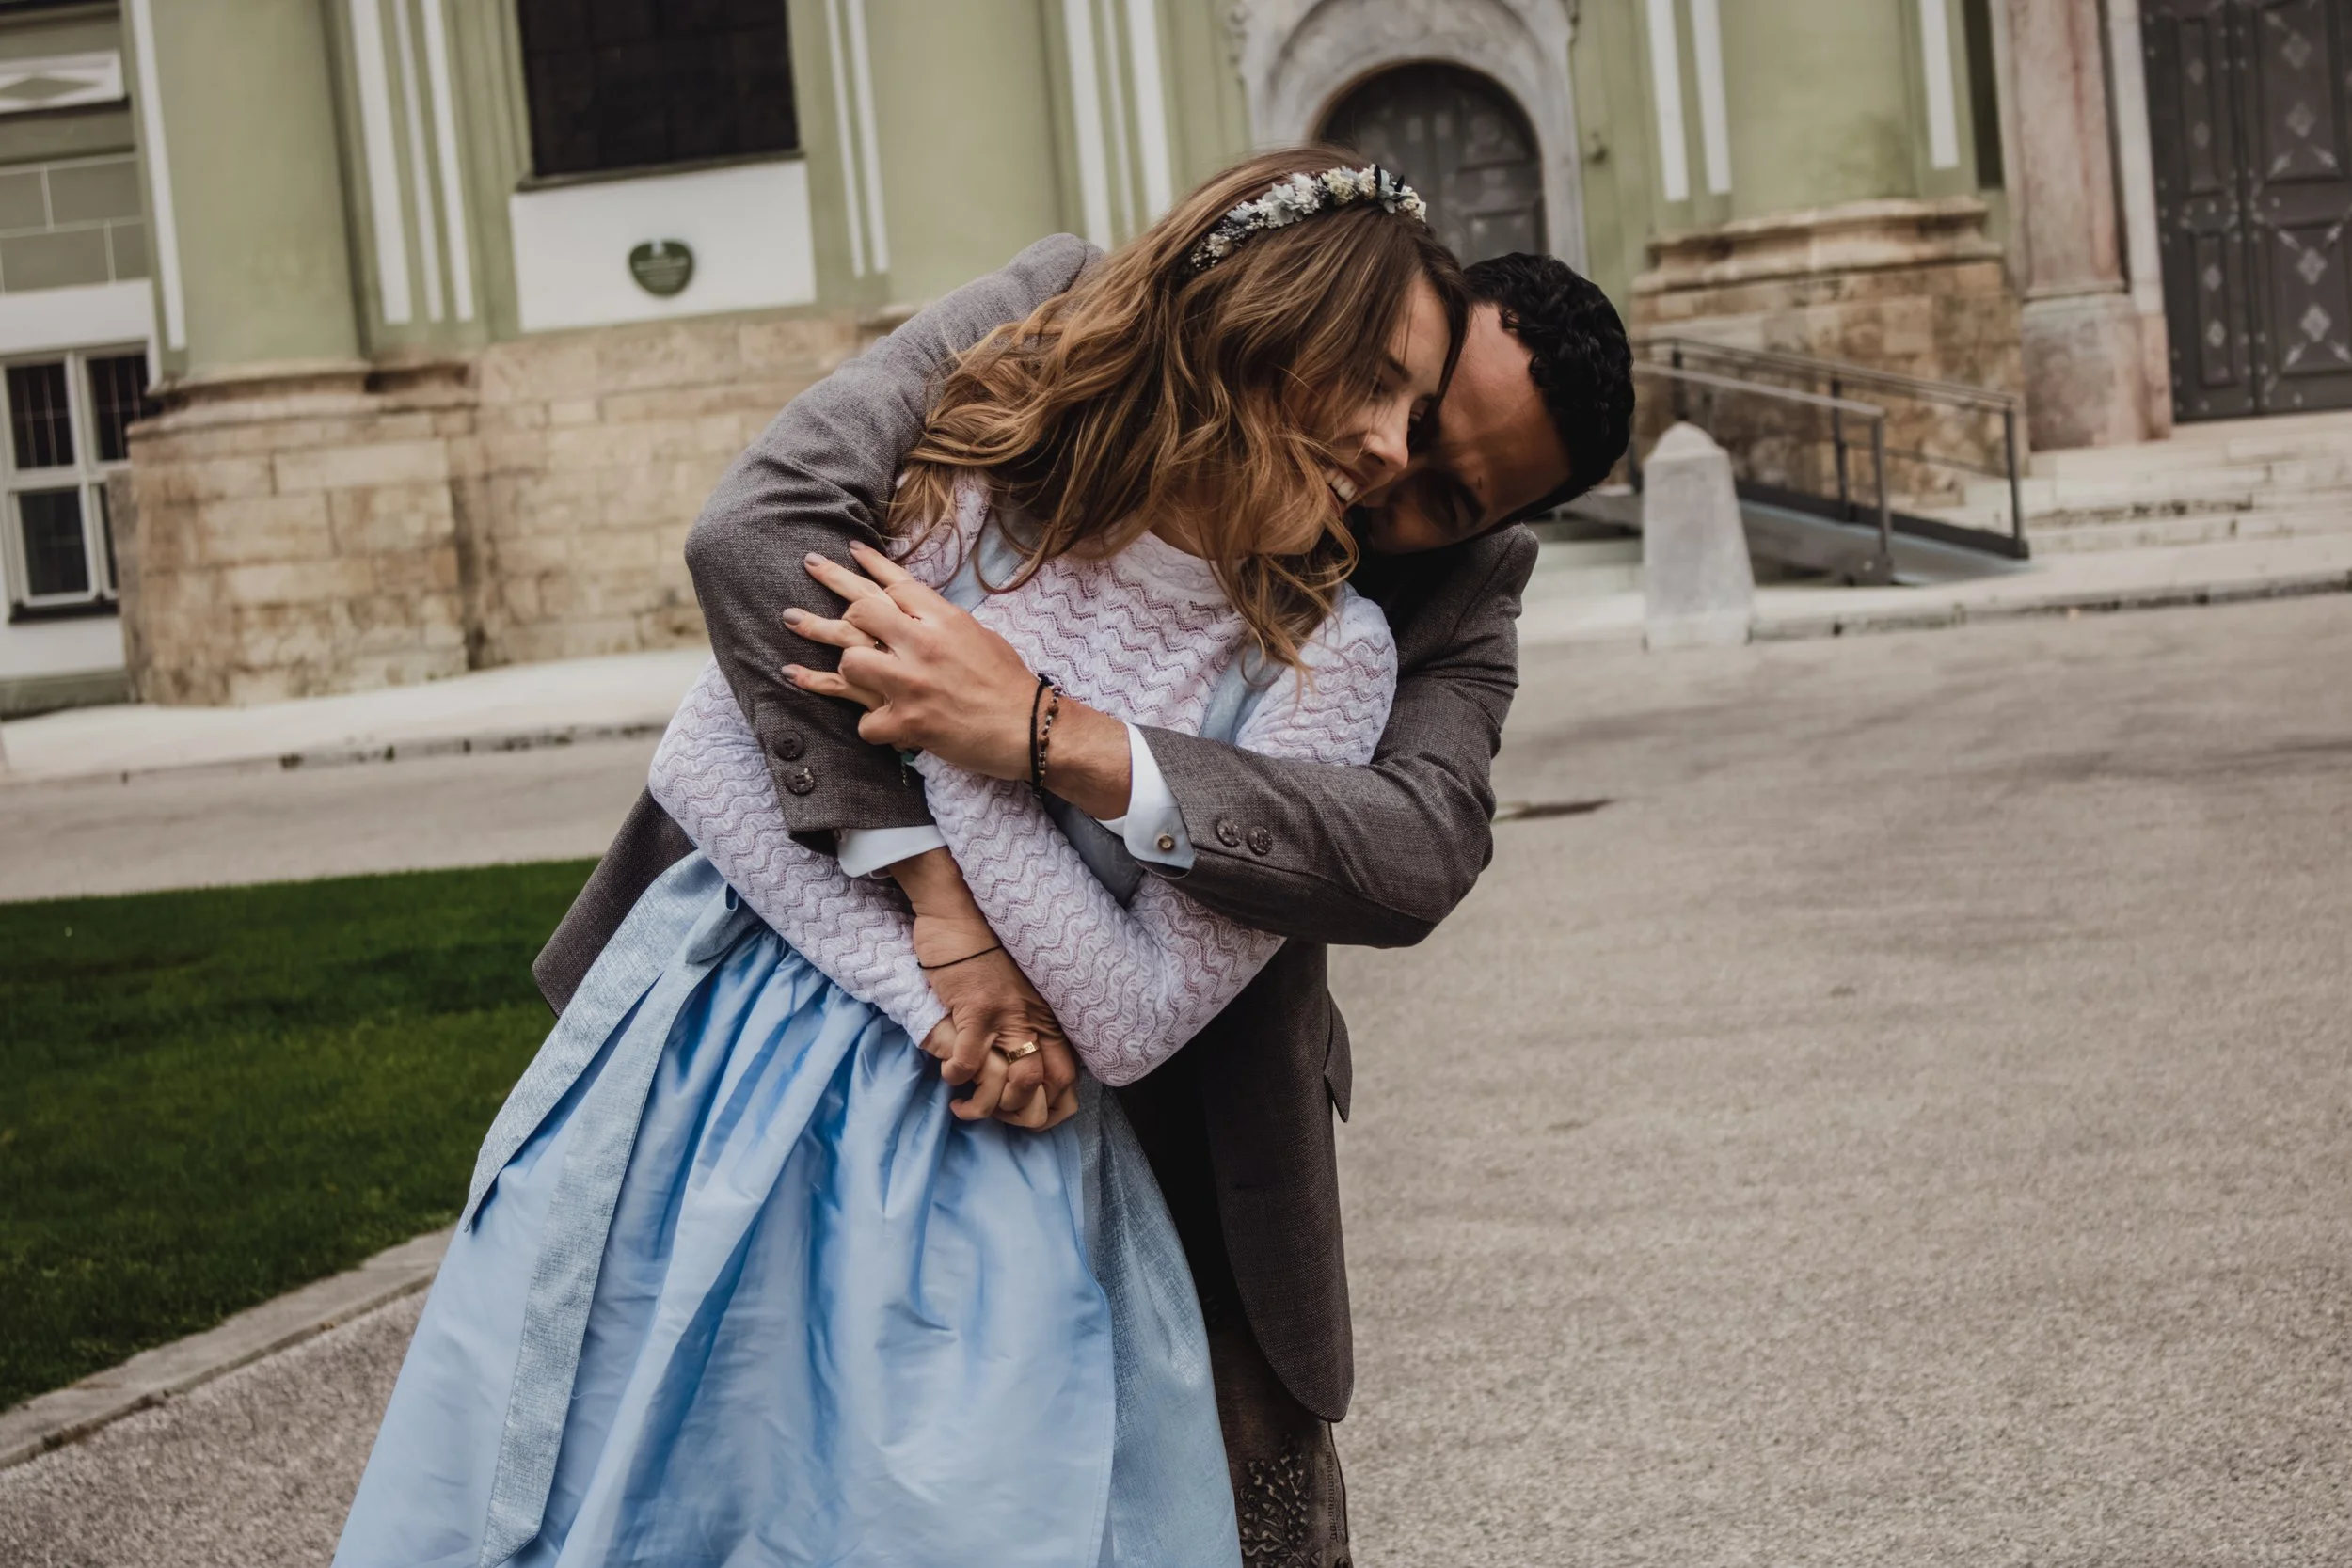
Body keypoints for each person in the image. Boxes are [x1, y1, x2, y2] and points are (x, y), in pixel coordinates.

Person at [335, 151, 1465, 1568]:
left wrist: (992, 727)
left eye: (1419, 411)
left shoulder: (1324, 657)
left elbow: (1130, 1013)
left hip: (1009, 1161)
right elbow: (708, 756)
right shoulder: (978, 486)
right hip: (731, 1083)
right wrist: (945, 950)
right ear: (1260, 321)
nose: (1393, 447)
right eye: (1374, 382)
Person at [533, 218, 1633, 1567]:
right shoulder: (1071, 322)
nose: (1389, 460)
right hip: (790, 1010)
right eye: (1404, 394)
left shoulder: (1420, 610)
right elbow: (765, 532)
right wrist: (938, 911)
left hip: (1191, 1098)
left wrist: (1047, 734)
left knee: (1223, 1509)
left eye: (1449, 494)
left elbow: (1416, 846)